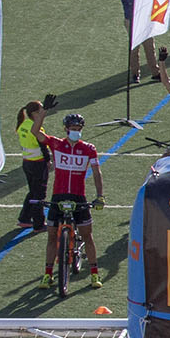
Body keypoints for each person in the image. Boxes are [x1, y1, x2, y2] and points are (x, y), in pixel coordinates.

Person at [40, 111, 104, 287]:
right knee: (51, 235)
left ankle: (94, 274)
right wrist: (42, 114)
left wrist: (100, 196)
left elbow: (97, 172)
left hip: (78, 196)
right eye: (73, 128)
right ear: (66, 129)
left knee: (87, 235)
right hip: (58, 195)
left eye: (78, 128)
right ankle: (47, 274)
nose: (76, 131)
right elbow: (36, 132)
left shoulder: (89, 149)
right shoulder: (56, 144)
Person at [13, 96, 52, 231]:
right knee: (39, 195)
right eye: (41, 110)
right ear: (35, 113)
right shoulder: (37, 129)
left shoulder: (23, 125)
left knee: (32, 192)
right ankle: (38, 224)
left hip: (27, 163)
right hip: (38, 164)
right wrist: (48, 161)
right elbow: (43, 146)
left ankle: (24, 218)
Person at [119, 0, 144, 82]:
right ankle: (135, 74)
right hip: (132, 21)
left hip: (142, 20)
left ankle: (155, 72)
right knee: (135, 47)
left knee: (150, 47)